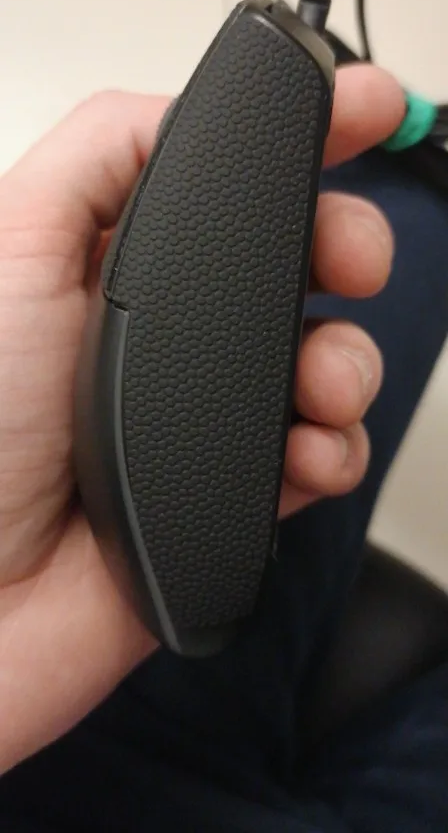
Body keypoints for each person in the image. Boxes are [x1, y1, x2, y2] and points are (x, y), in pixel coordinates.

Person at [0, 64, 446, 831]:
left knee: (410, 229)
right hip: (146, 641)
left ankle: (415, 163)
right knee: (404, 230)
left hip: (118, 652)